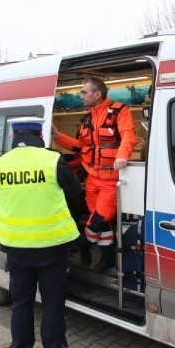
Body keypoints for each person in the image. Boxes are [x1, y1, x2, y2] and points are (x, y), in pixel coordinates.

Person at [0, 117, 82, 348]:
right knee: (52, 305)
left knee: (21, 304)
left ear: (15, 136)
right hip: (51, 247)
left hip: (16, 248)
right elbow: (75, 191)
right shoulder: (51, 160)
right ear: (39, 134)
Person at [52, 77, 137, 272]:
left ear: (97, 94)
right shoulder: (88, 117)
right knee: (103, 223)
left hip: (110, 181)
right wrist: (58, 137)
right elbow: (81, 147)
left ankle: (83, 242)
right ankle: (107, 258)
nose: (80, 95)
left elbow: (128, 135)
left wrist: (122, 156)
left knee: (98, 218)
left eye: (84, 92)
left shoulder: (119, 111)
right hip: (91, 179)